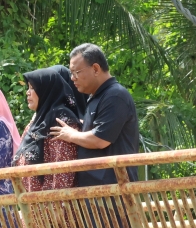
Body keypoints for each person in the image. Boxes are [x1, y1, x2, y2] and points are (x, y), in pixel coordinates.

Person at [49, 43, 140, 184]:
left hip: (114, 190)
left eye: (76, 72)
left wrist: (71, 134)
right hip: (96, 190)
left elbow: (100, 140)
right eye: (71, 73)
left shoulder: (115, 95)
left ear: (96, 69)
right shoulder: (95, 96)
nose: (72, 78)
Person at [13, 67, 82, 191]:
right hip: (33, 205)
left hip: (53, 206)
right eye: (28, 87)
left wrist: (52, 208)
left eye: (33, 88)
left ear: (46, 90)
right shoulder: (38, 121)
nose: (28, 92)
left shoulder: (60, 120)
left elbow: (63, 176)